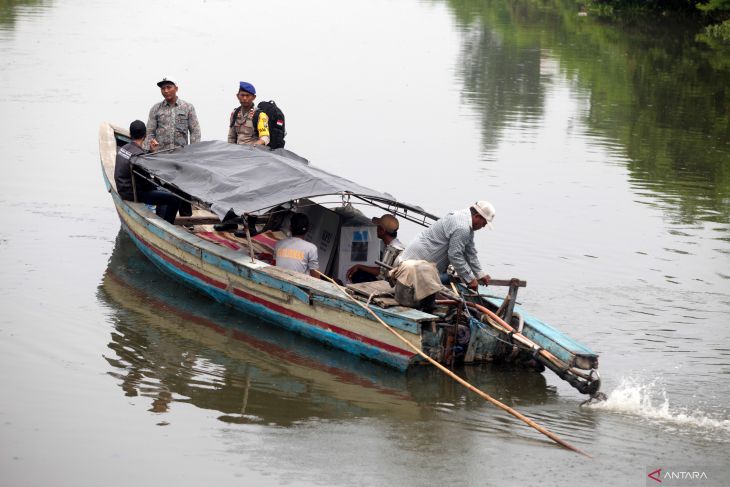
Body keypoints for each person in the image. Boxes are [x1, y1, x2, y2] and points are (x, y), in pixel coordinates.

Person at [400, 201, 495, 291]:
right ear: (477, 216)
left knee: (450, 277)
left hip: (418, 255)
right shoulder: (463, 228)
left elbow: (470, 251)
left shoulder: (464, 219)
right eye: (484, 223)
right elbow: (455, 255)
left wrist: (480, 274)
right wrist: (470, 279)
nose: (482, 227)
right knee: (448, 279)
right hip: (417, 262)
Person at [114, 120, 180, 224]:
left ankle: (160, 218)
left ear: (130, 134)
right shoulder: (139, 156)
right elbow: (147, 185)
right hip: (133, 194)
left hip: (122, 189)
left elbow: (138, 164)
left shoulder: (124, 148)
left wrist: (151, 152)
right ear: (145, 136)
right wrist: (158, 187)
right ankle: (167, 225)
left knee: (162, 191)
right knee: (174, 199)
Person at [144, 77, 201, 151]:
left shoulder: (188, 107)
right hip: (160, 156)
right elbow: (150, 132)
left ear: (176, 89)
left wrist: (193, 152)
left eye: (169, 87)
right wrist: (149, 150)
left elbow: (195, 131)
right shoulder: (155, 108)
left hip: (181, 155)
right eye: (163, 88)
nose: (166, 91)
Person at [346, 213, 404, 283]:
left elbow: (382, 275)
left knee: (358, 274)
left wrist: (359, 267)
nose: (376, 228)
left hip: (389, 286)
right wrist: (359, 266)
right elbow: (383, 270)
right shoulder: (396, 244)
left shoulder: (392, 249)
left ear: (382, 230)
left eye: (378, 226)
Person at [274, 213, 320, 277]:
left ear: (290, 228)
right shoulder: (311, 248)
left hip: (278, 281)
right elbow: (316, 277)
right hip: (297, 285)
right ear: (307, 230)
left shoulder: (279, 244)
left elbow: (274, 265)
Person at [228, 81, 270, 146]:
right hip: (237, 152)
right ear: (237, 96)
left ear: (254, 97)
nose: (245, 98)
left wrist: (254, 146)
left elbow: (265, 138)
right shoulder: (234, 114)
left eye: (248, 95)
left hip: (253, 153)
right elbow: (231, 137)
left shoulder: (260, 115)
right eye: (242, 95)